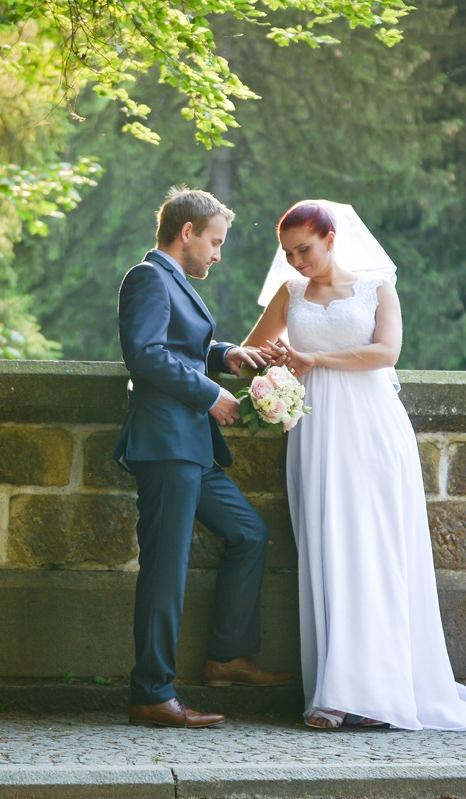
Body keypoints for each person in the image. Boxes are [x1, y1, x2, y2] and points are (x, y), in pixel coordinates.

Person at [242, 200, 466, 732]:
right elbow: (251, 351)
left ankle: (374, 694)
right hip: (316, 433)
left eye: (305, 249)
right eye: (289, 253)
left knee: (375, 552)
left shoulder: (376, 287)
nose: (296, 261)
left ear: (331, 239)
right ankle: (334, 690)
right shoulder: (290, 293)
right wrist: (272, 372)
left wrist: (315, 359)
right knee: (328, 549)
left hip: (372, 430)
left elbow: (386, 353)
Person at [113, 186, 293, 729]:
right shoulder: (147, 277)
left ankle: (227, 658)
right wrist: (210, 393)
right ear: (186, 232)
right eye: (214, 242)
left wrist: (226, 354)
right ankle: (151, 693)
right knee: (165, 570)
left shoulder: (173, 281)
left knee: (248, 533)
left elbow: (182, 348)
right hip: (166, 445)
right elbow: (145, 355)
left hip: (192, 448)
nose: (217, 254)